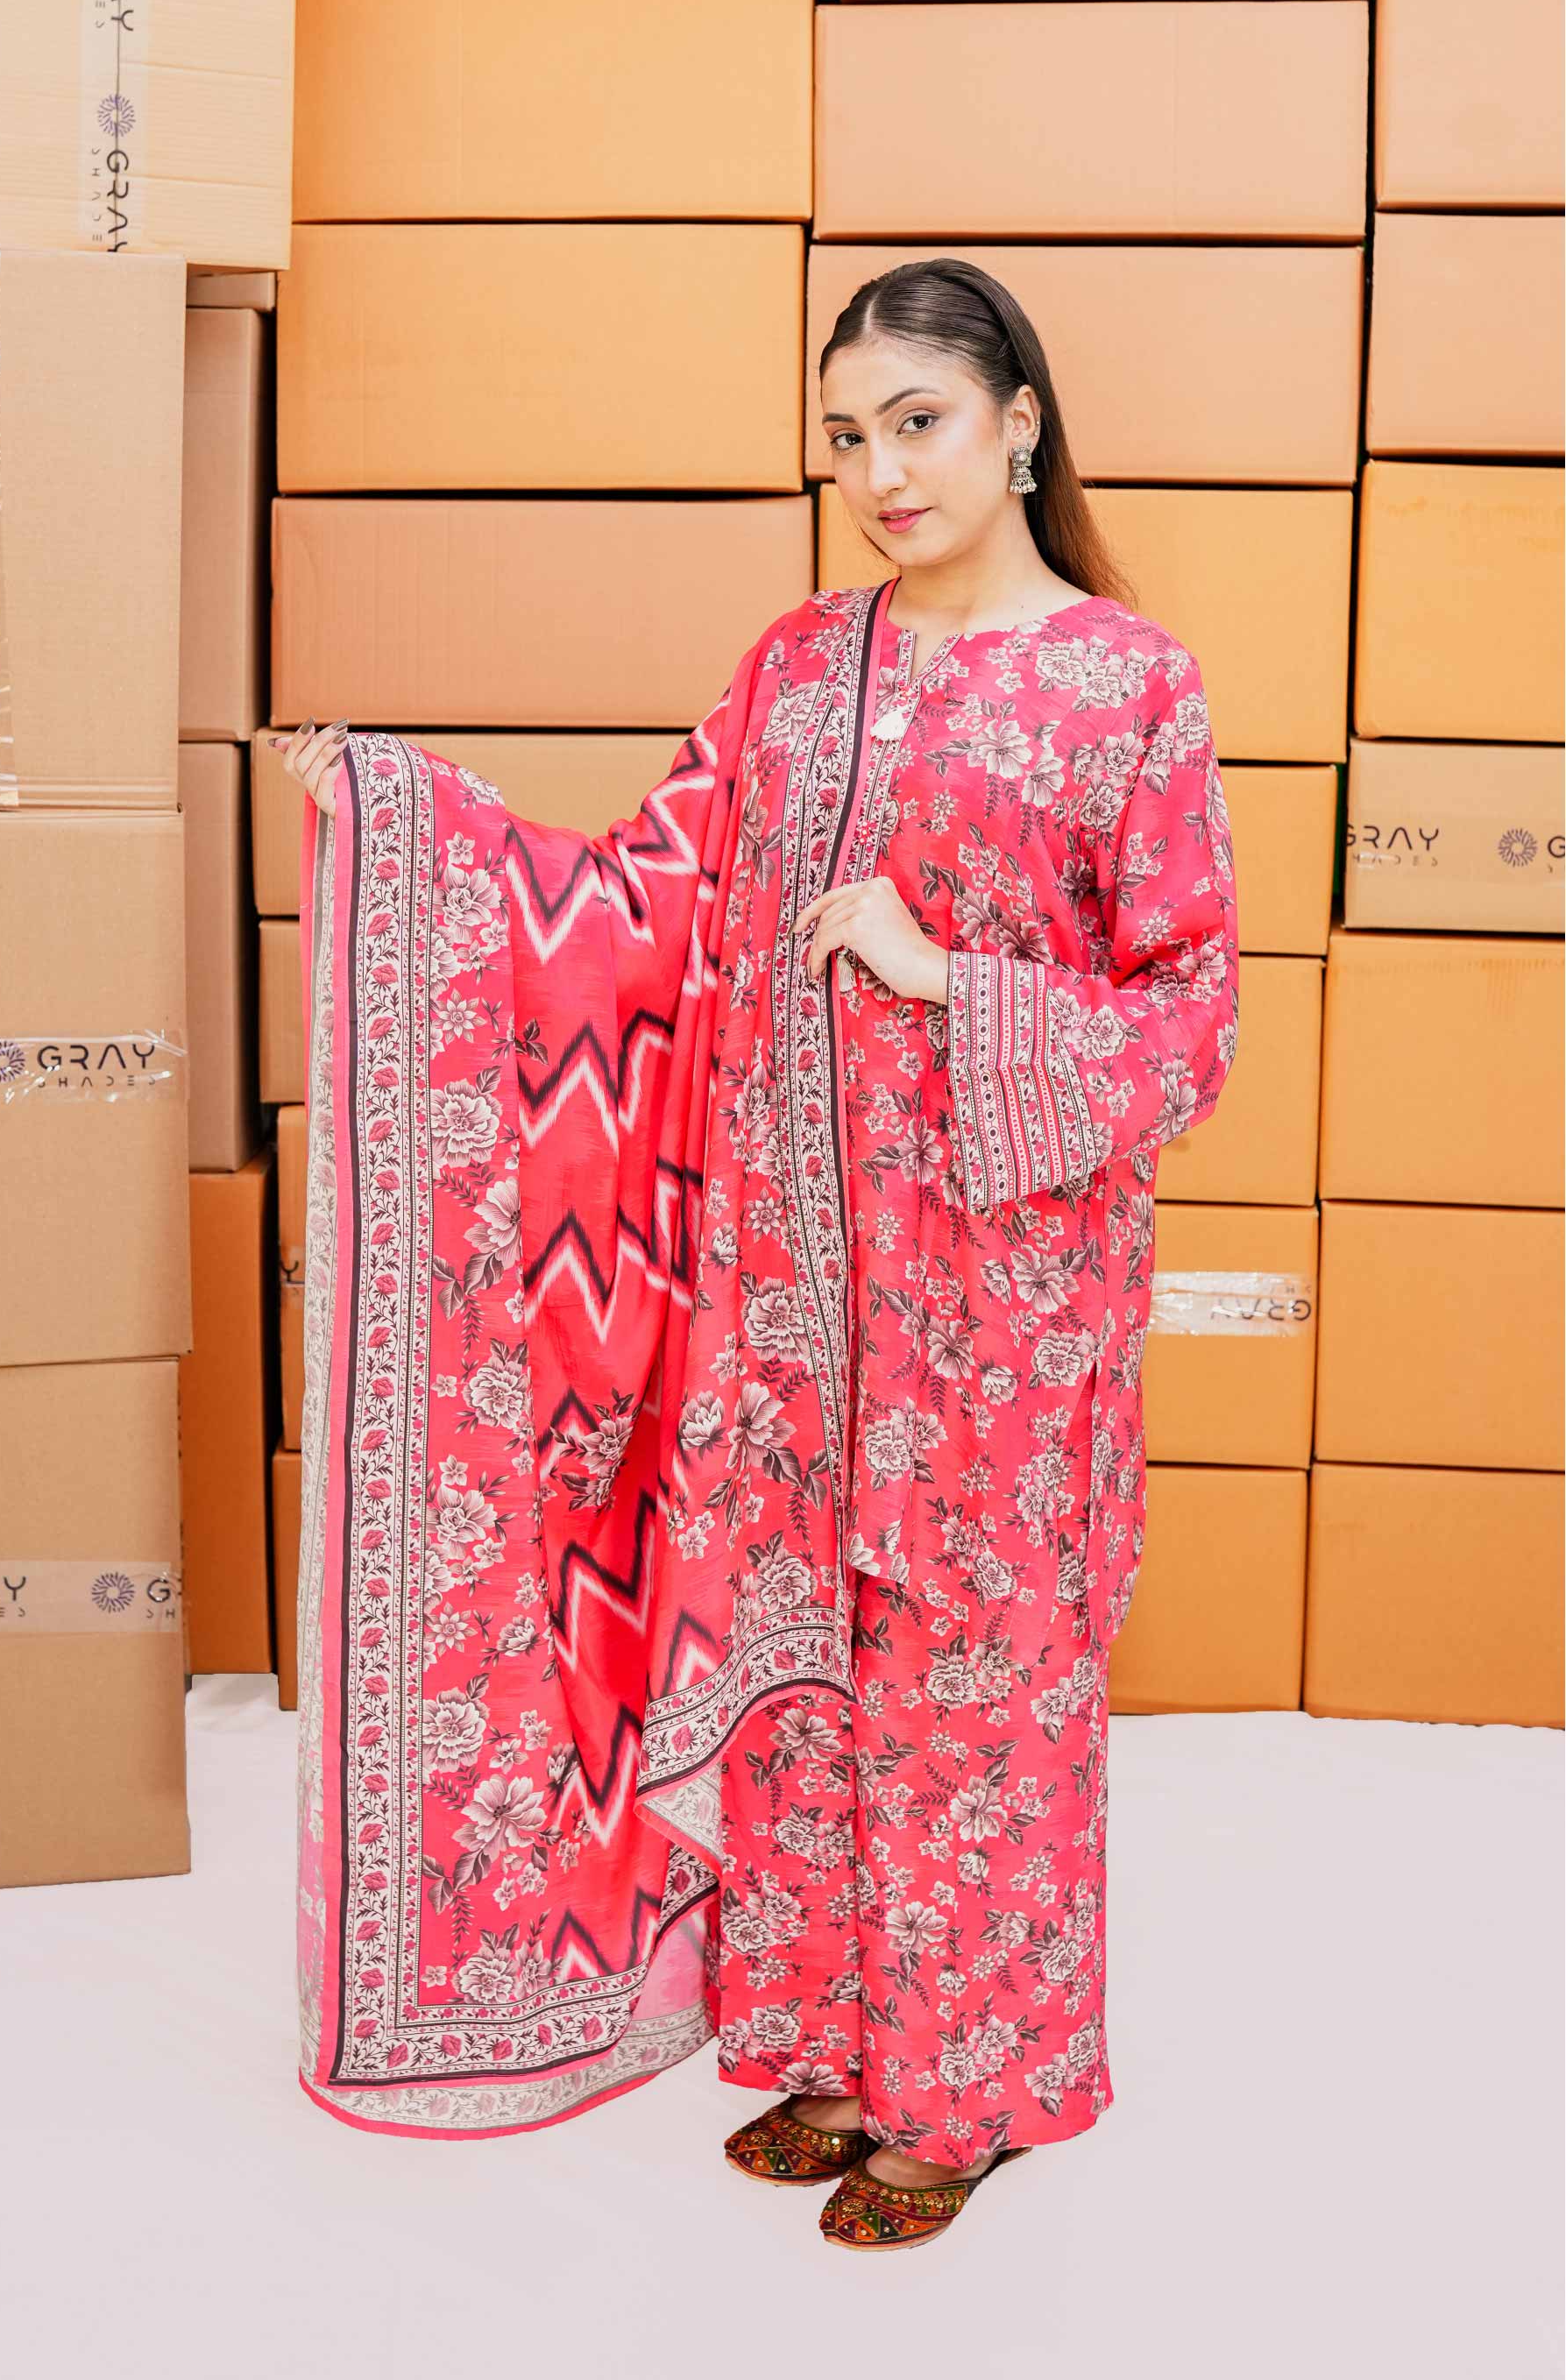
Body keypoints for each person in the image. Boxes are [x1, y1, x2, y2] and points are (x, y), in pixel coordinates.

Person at [273, 256, 1239, 2254]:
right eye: (846, 435)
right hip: (792, 1298)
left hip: (1001, 1310)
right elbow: (639, 898)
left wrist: (943, 976)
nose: (879, 471)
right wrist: (407, 818)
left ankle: (972, 2092)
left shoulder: (1125, 684)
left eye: (918, 423)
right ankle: (826, 2041)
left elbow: (1187, 1017)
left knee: (976, 1696)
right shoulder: (797, 671)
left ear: (1018, 424)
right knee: (798, 1672)